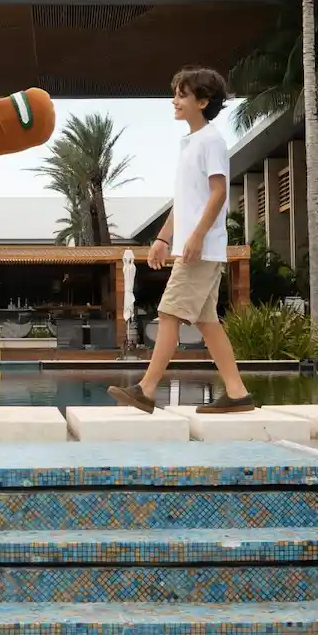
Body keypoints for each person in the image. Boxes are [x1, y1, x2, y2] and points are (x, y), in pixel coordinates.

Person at [109, 66, 257, 414]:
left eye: (182, 94)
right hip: (197, 247)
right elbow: (186, 200)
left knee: (168, 312)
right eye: (175, 93)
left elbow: (219, 193)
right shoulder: (190, 143)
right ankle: (237, 393)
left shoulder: (211, 142)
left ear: (202, 101)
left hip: (201, 249)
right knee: (207, 323)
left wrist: (195, 237)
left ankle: (145, 389)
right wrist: (163, 238)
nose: (174, 100)